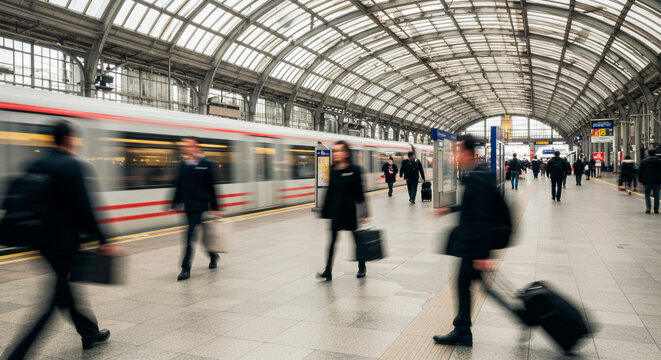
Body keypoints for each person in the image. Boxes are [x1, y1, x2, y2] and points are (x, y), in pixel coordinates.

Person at [6, 121, 110, 359]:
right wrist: (104, 240)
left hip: (41, 243)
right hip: (65, 244)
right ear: (67, 139)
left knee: (66, 291)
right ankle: (17, 354)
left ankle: (90, 332)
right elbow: (85, 208)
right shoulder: (72, 165)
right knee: (55, 300)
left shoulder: (36, 163)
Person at [432, 134, 512, 347]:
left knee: (464, 284)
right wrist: (449, 209)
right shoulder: (478, 174)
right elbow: (475, 207)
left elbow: (482, 217)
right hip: (475, 245)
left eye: (457, 151)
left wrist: (482, 254)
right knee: (473, 285)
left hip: (475, 247)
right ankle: (464, 329)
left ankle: (462, 331)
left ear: (468, 152)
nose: (454, 156)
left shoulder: (477, 177)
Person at [171, 136, 223, 281]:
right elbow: (178, 185)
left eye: (189, 145)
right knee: (189, 239)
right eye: (185, 145)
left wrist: (216, 207)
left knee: (205, 239)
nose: (186, 148)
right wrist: (174, 203)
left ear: (197, 147)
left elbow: (212, 187)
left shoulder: (207, 164)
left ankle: (213, 256)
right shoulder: (183, 164)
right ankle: (185, 269)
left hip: (203, 208)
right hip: (189, 208)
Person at [318, 141, 369, 280]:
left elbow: (360, 193)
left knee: (357, 242)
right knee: (332, 242)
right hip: (336, 212)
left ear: (346, 153)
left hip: (350, 211)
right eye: (334, 151)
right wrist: (325, 211)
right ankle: (328, 270)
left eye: (339, 151)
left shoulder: (355, 169)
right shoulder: (332, 170)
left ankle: (362, 266)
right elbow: (329, 192)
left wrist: (365, 213)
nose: (335, 154)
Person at [639, 149, 661, 214]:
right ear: (655, 154)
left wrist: (640, 180)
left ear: (648, 154)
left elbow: (640, 171)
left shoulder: (643, 161)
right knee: (657, 195)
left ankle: (648, 208)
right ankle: (656, 209)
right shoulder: (659, 161)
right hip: (657, 180)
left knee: (647, 194)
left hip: (647, 181)